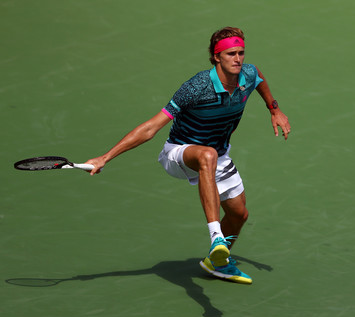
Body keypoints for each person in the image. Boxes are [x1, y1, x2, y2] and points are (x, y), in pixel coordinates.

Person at [85, 27, 291, 285]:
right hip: (179, 153)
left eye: (241, 53)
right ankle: (216, 237)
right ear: (216, 57)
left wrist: (274, 109)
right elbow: (150, 128)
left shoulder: (247, 73)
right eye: (230, 54)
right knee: (207, 155)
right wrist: (105, 157)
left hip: (218, 153)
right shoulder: (196, 87)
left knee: (239, 215)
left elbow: (258, 76)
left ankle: (217, 262)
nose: (238, 59)